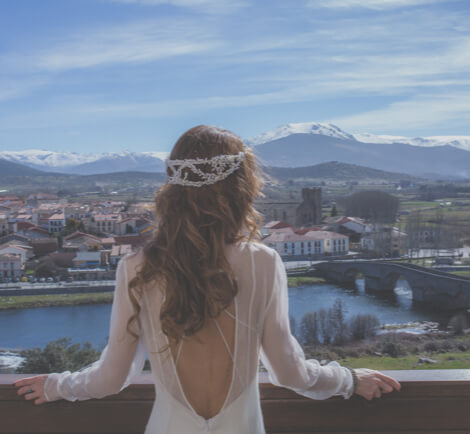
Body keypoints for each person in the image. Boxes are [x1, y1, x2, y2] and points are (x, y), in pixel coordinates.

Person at [13, 125, 401, 433]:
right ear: (242, 187)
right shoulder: (263, 262)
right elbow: (289, 373)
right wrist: (348, 380)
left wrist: (55, 385)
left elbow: (112, 378)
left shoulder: (136, 266)